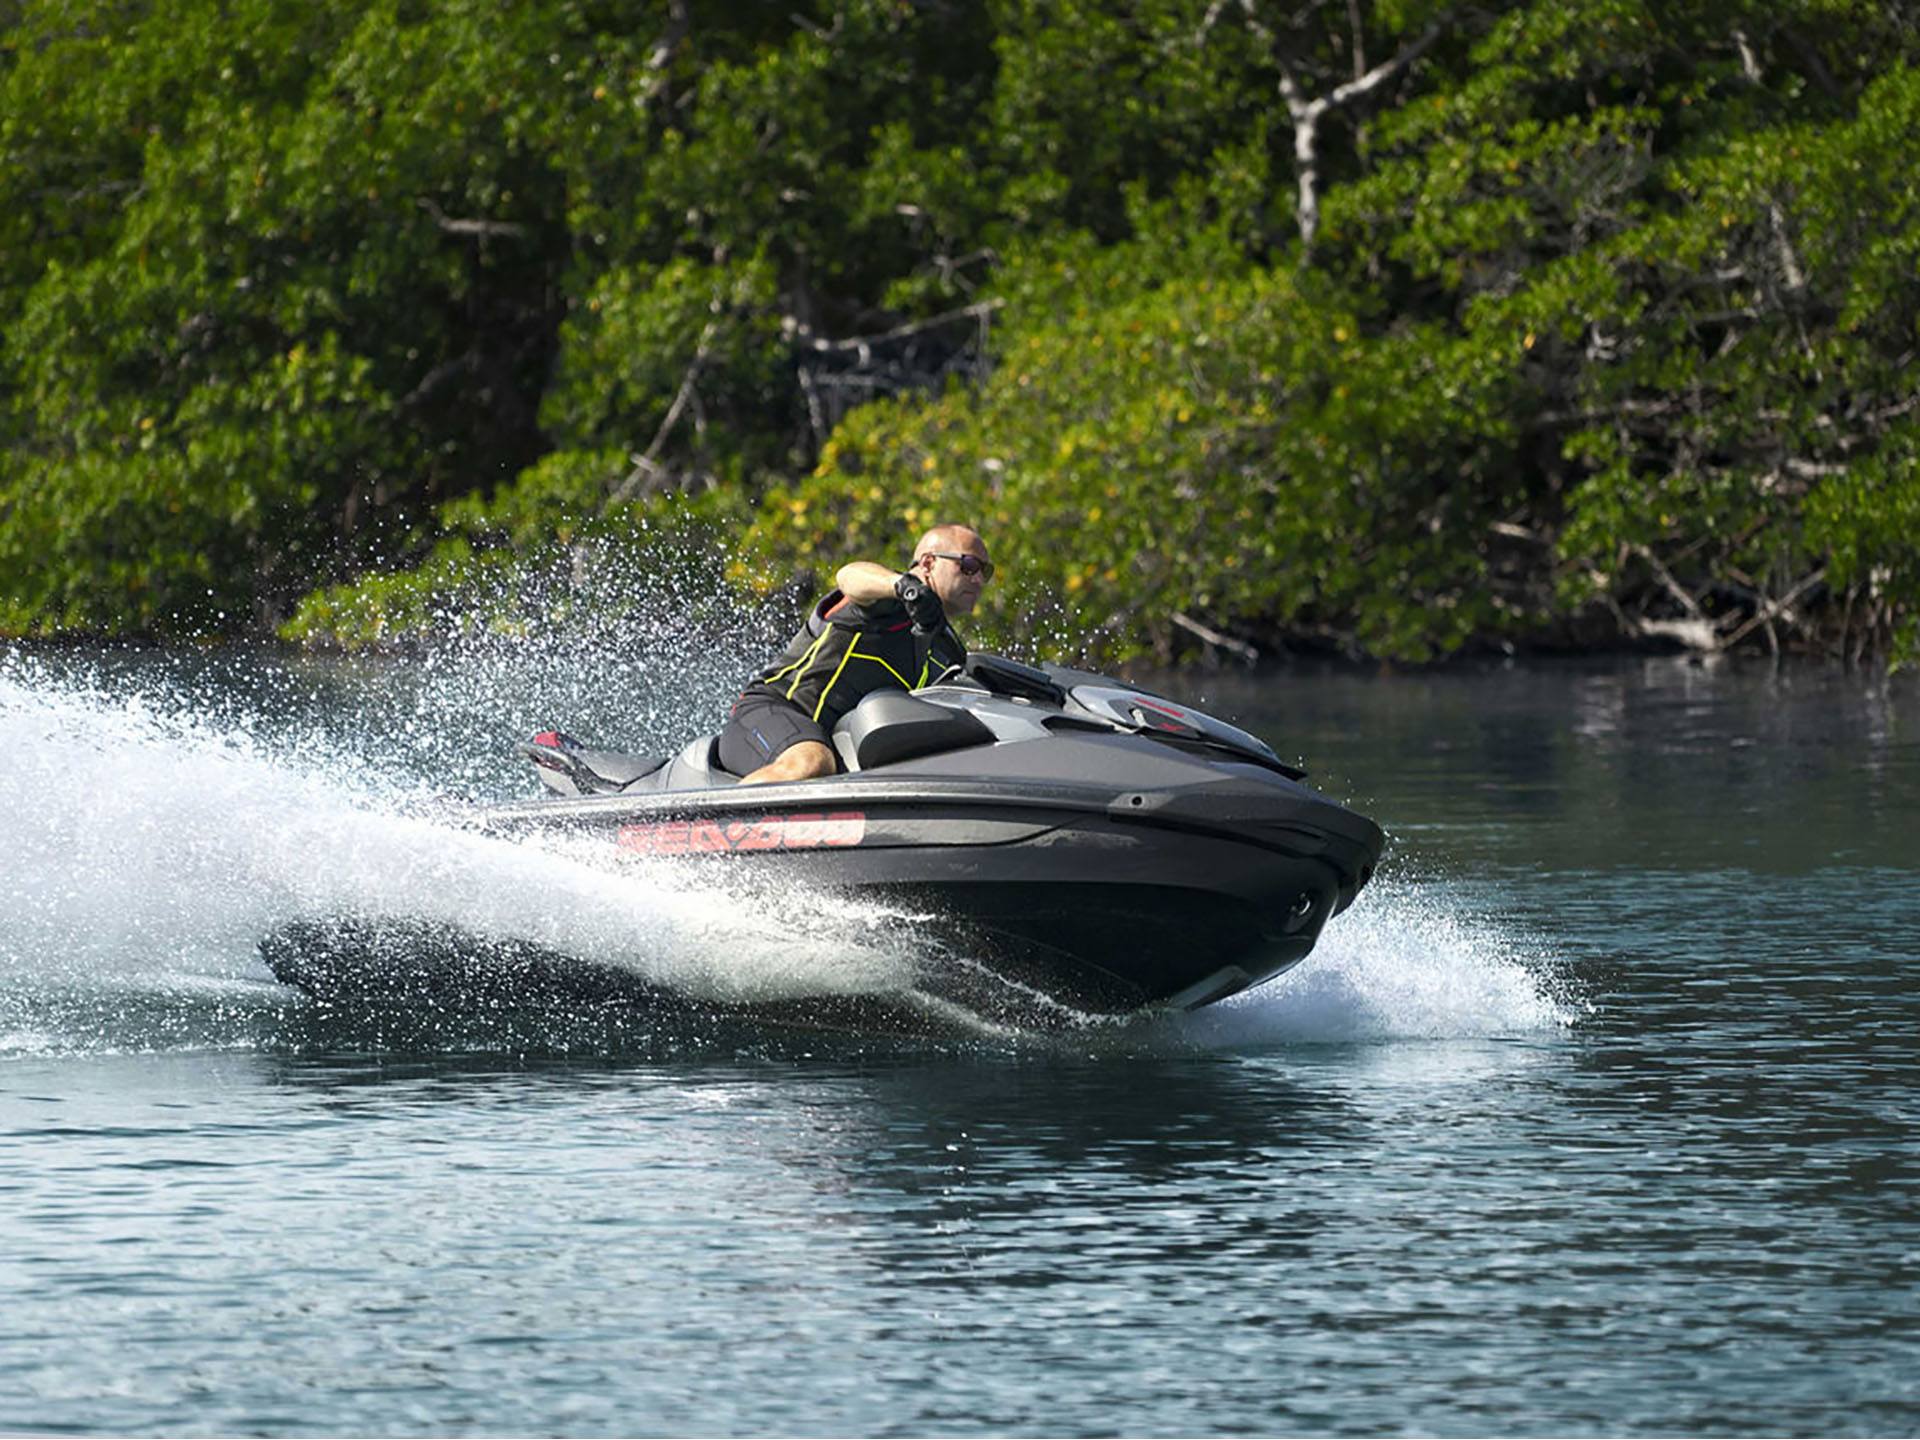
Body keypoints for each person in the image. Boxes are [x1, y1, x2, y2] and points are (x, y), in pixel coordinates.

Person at [717, 523, 994, 785]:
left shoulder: (947, 650)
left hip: (834, 745)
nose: (979, 579)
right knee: (810, 763)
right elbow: (849, 575)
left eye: (986, 571)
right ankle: (717, 828)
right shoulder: (885, 599)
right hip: (771, 711)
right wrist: (904, 587)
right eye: (969, 565)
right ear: (928, 562)